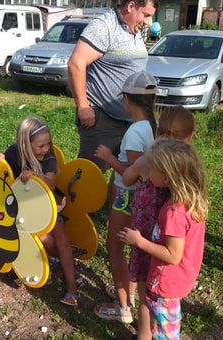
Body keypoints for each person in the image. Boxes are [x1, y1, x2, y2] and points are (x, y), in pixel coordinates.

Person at [118, 138, 208, 339]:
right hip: (181, 277)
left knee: (164, 333)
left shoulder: (173, 213)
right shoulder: (190, 202)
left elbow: (173, 255)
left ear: (167, 178)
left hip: (165, 282)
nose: (148, 171)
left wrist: (138, 241)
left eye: (151, 168)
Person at [92, 71, 158, 324]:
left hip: (126, 197)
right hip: (143, 200)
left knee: (115, 247)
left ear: (128, 101)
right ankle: (129, 291)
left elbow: (133, 175)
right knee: (130, 247)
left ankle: (123, 307)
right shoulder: (154, 126)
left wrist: (109, 159)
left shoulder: (134, 132)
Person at [0, 116, 79, 306]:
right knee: (44, 240)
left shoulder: (48, 157)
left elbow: (50, 183)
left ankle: (72, 290)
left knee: (61, 241)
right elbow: (3, 171)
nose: (46, 149)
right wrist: (0, 159)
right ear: (24, 144)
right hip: (22, 211)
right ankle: (61, 258)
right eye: (40, 146)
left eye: (48, 144)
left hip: (46, 206)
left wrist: (35, 176)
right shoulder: (14, 152)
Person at [67, 0, 157, 172]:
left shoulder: (134, 30)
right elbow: (75, 63)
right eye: (145, 15)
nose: (147, 22)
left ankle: (113, 200)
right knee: (88, 174)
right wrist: (83, 106)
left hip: (130, 119)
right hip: (103, 118)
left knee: (122, 170)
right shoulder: (104, 26)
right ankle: (69, 199)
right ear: (131, 6)